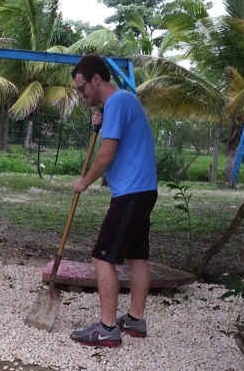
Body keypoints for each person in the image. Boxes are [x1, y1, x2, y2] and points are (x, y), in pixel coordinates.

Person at [68, 54, 158, 347]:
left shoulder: (117, 103)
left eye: (82, 89)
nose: (82, 95)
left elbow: (107, 154)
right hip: (144, 190)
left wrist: (85, 181)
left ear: (96, 79)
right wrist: (102, 121)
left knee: (102, 256)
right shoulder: (122, 101)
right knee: (137, 257)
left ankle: (107, 327)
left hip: (131, 193)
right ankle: (135, 319)